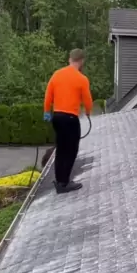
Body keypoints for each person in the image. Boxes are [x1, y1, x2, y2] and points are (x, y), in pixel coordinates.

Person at [43, 49, 93, 193]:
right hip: (70, 119)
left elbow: (48, 95)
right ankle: (64, 183)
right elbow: (88, 100)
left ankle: (60, 181)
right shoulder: (82, 79)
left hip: (57, 117)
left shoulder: (57, 74)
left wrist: (46, 112)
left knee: (61, 150)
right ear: (81, 61)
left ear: (70, 59)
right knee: (71, 150)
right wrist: (88, 112)